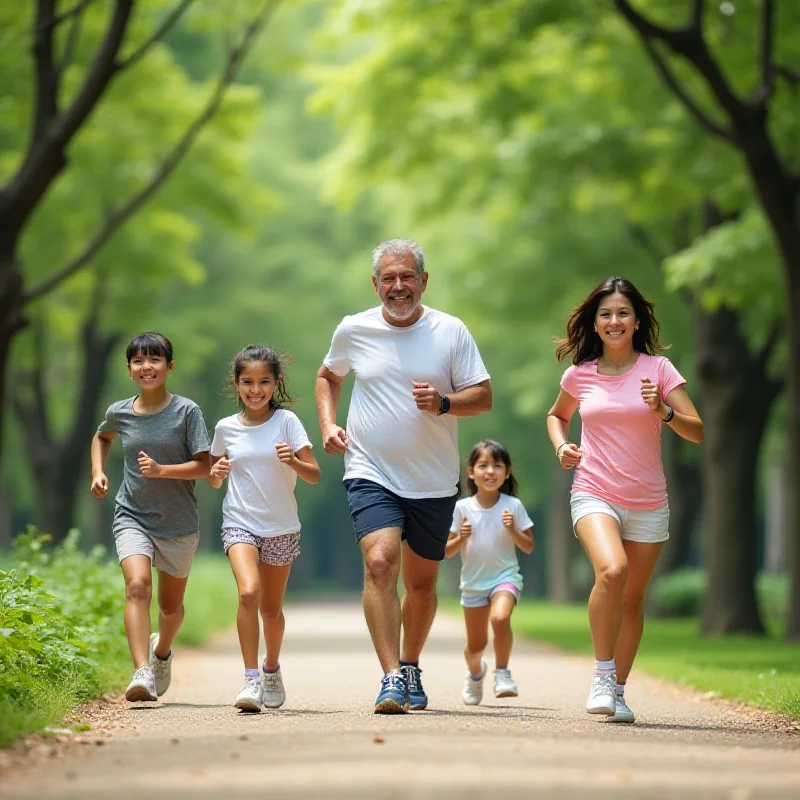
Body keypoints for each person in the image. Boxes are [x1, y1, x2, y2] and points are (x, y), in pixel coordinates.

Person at [316, 238, 492, 714]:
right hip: (369, 467)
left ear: (423, 280)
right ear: (375, 284)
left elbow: (484, 395)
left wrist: (445, 403)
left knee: (421, 584)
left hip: (433, 477)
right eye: (388, 279)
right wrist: (329, 423)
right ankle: (391, 677)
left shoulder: (450, 331)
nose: (398, 287)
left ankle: (411, 663)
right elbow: (329, 376)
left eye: (407, 277)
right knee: (379, 562)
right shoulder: (354, 329)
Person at [546, 277, 703, 724]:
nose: (614, 321)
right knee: (611, 571)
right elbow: (557, 416)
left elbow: (697, 430)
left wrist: (663, 411)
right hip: (594, 490)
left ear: (637, 321)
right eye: (605, 314)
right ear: (594, 324)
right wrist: (562, 446)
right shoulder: (579, 373)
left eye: (622, 313)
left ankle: (617, 691)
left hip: (649, 500)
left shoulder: (659, 370)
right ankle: (600, 675)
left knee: (632, 601)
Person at [90, 332, 211, 702]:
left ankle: (162, 651)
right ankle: (142, 670)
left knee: (171, 608)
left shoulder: (187, 411)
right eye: (139, 361)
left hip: (178, 522)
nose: (147, 367)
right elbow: (102, 436)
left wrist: (163, 471)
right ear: (129, 370)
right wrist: (98, 471)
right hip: (133, 514)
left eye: (155, 359)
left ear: (169, 367)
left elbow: (204, 466)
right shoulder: (120, 412)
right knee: (138, 586)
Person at [208, 345, 320, 712]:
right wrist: (216, 473)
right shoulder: (225, 428)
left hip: (281, 526)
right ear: (236, 384)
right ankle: (251, 677)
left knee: (271, 611)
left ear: (277, 383)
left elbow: (314, 474)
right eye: (248, 383)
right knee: (248, 592)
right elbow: (213, 476)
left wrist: (294, 461)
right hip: (240, 522)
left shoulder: (287, 423)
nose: (256, 390)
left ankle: (271, 666)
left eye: (264, 382)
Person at [445, 440, 534, 706]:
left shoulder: (513, 506)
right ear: (471, 472)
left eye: (497, 465)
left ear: (507, 473)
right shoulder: (462, 508)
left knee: (500, 618)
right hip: (473, 584)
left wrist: (512, 530)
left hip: (504, 577)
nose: (490, 471)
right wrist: (461, 537)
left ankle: (503, 673)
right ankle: (475, 674)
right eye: (483, 465)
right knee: (475, 647)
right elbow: (447, 551)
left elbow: (528, 546)